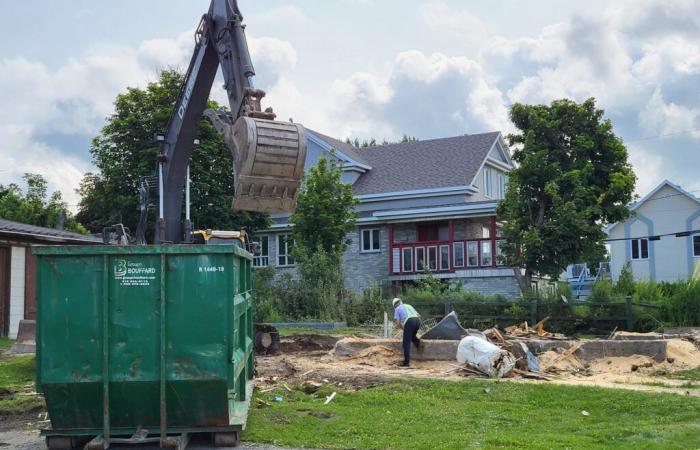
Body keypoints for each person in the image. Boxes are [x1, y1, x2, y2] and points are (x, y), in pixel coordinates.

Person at [392, 297, 421, 366]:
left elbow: (398, 322)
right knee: (412, 336)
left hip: (409, 322)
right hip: (417, 321)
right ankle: (419, 345)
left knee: (406, 343)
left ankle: (406, 363)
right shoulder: (408, 305)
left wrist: (403, 328)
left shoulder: (397, 309)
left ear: (394, 305)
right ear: (400, 301)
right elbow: (419, 315)